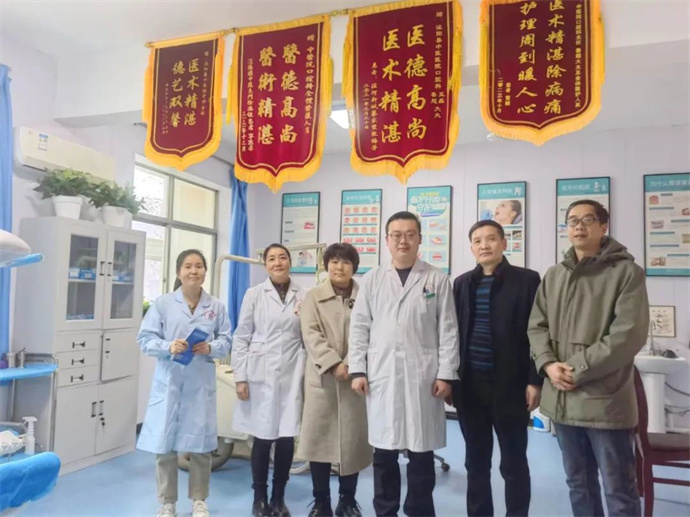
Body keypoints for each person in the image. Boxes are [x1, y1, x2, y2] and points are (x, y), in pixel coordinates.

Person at [529, 200, 649, 517]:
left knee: (619, 490)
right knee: (578, 485)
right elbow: (536, 326)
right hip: (562, 401)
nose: (579, 226)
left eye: (587, 220)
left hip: (604, 402)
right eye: (572, 221)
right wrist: (548, 364)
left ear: (603, 226)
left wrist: (575, 369)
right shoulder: (554, 275)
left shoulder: (626, 273)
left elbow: (628, 335)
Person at [349, 211, 460, 517]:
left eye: (410, 235)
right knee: (384, 454)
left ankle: (419, 510)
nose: (403, 241)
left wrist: (446, 374)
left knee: (421, 454)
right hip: (382, 374)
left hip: (423, 377)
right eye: (396, 235)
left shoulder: (437, 279)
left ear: (419, 239)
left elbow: (448, 330)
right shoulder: (372, 279)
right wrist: (358, 369)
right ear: (387, 240)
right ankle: (385, 511)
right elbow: (359, 327)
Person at [451, 220, 542, 517]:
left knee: (513, 463)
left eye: (491, 239)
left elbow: (538, 333)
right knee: (475, 463)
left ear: (504, 243)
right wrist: (451, 380)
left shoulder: (527, 280)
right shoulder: (462, 283)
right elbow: (453, 335)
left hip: (511, 387)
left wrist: (534, 380)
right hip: (470, 388)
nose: (484, 245)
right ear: (472, 248)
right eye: (478, 241)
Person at [137, 249, 232, 517]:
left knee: (201, 447)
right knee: (165, 446)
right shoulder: (163, 304)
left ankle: (199, 501)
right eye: (188, 266)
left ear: (204, 272)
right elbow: (145, 339)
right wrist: (169, 346)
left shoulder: (216, 307)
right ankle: (167, 503)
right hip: (170, 382)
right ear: (179, 272)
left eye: (199, 266)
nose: (194, 271)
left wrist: (210, 347)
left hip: (200, 384)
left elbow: (227, 339)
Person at [231, 243, 307, 517]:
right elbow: (241, 337)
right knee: (262, 438)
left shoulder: (304, 295)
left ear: (290, 262)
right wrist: (240, 377)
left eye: (282, 258)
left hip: (292, 373)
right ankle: (259, 498)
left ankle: (279, 497)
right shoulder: (254, 295)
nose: (278, 263)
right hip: (260, 375)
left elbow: (308, 335)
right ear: (265, 265)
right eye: (272, 259)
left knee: (286, 437)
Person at [298, 243, 372, 517]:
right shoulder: (313, 297)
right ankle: (321, 502)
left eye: (345, 262)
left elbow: (369, 331)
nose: (339, 267)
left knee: (352, 444)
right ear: (326, 265)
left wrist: (351, 364)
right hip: (322, 379)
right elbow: (311, 333)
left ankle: (347, 500)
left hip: (355, 379)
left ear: (354, 267)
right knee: (319, 442)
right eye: (334, 262)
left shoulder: (365, 296)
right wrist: (333, 363)